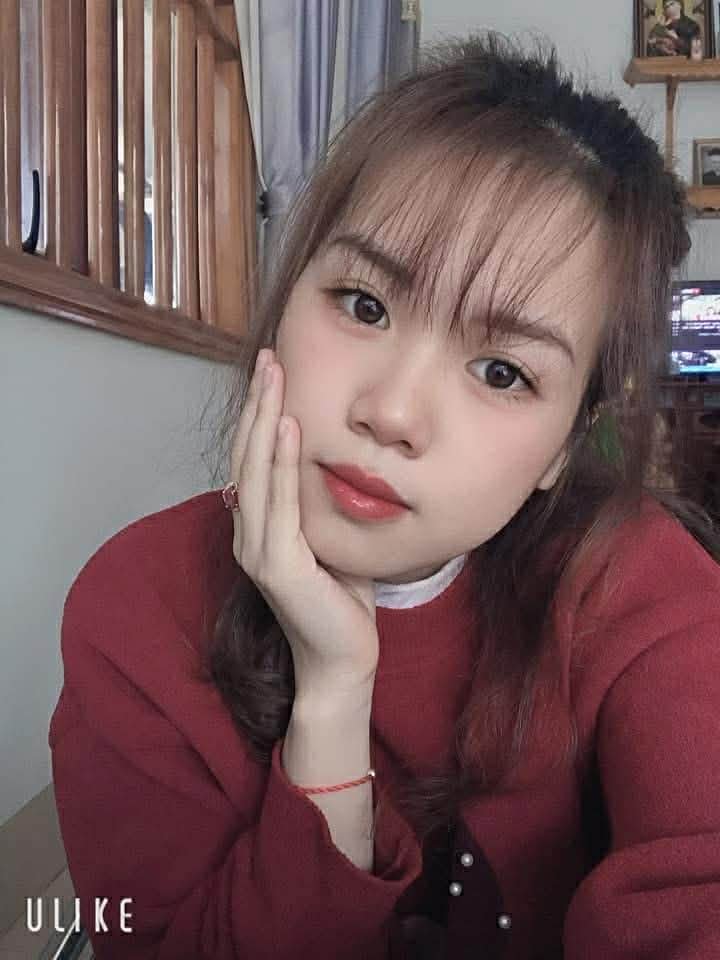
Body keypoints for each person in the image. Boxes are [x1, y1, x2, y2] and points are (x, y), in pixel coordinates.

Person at [49, 32, 720, 960]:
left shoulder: (638, 585)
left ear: (566, 445)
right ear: (289, 291)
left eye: (502, 371)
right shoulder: (139, 605)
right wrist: (332, 697)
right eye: (365, 305)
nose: (393, 412)